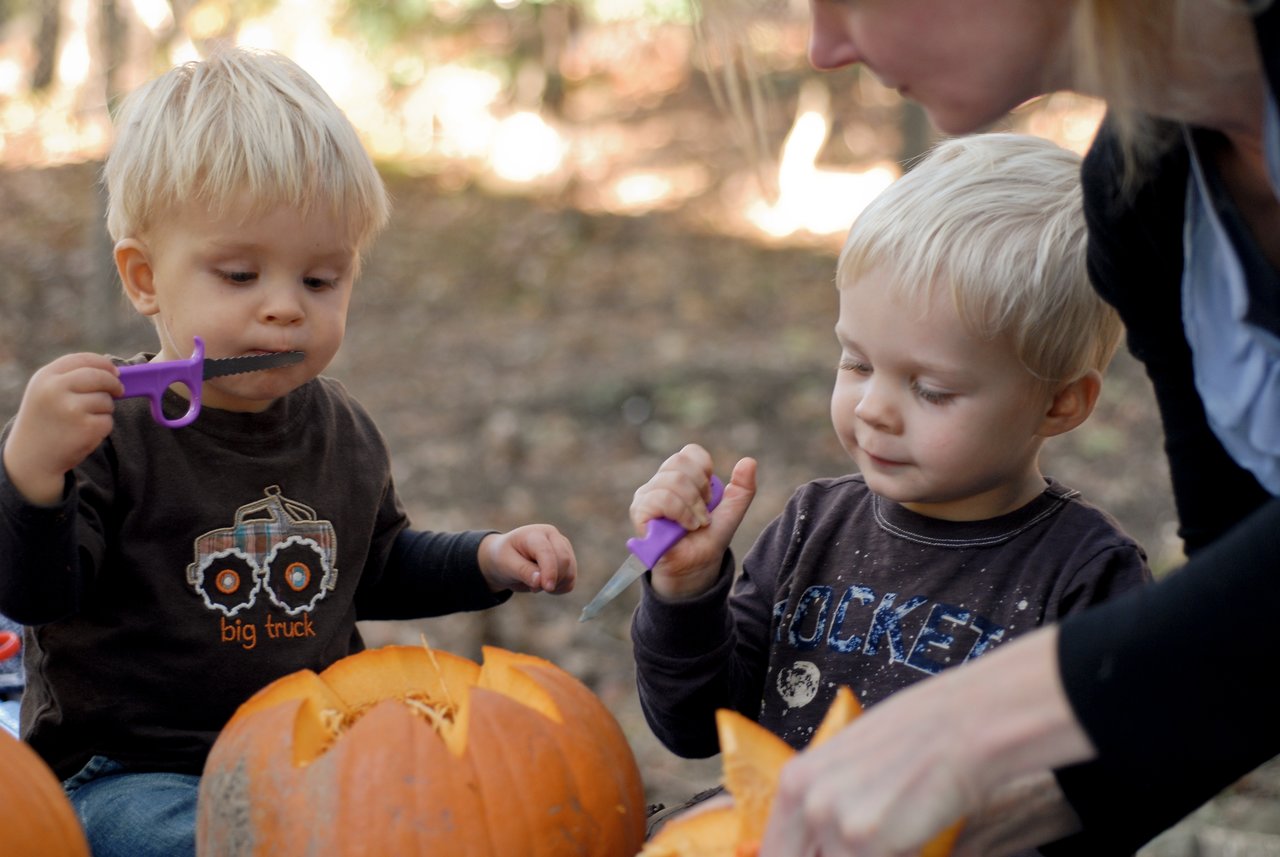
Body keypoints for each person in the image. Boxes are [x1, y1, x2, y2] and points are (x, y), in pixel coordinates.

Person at [0, 47, 577, 857]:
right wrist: (33, 480)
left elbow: (371, 567)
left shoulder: (340, 429)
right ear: (144, 278)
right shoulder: (105, 434)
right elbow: (36, 597)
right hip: (133, 773)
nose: (284, 311)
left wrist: (484, 557)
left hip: (315, 756)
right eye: (240, 275)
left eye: (320, 280)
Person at [755, 1, 1280, 855]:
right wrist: (1018, 809)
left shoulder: (1081, 564)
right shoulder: (1141, 194)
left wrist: (989, 718)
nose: (823, 48)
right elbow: (1245, 603)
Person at [629, 133, 1152, 851]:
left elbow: (1107, 796)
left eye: (930, 389)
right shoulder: (816, 524)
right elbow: (695, 726)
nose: (873, 407)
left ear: (1060, 405)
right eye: (856, 362)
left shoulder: (1084, 575)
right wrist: (686, 592)